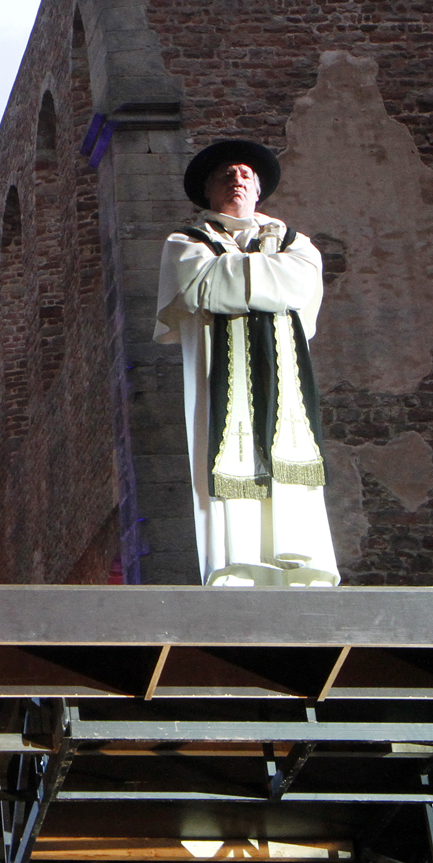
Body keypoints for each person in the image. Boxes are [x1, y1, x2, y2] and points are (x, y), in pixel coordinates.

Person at [154, 139, 340, 587]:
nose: (236, 180)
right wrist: (265, 275)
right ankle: (236, 566)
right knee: (226, 451)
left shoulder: (297, 244)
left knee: (288, 446)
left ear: (258, 189)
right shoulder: (186, 243)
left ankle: (301, 567)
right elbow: (204, 288)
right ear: (208, 191)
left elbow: (299, 286)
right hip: (221, 374)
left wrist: (236, 273)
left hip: (285, 374)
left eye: (244, 175)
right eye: (225, 175)